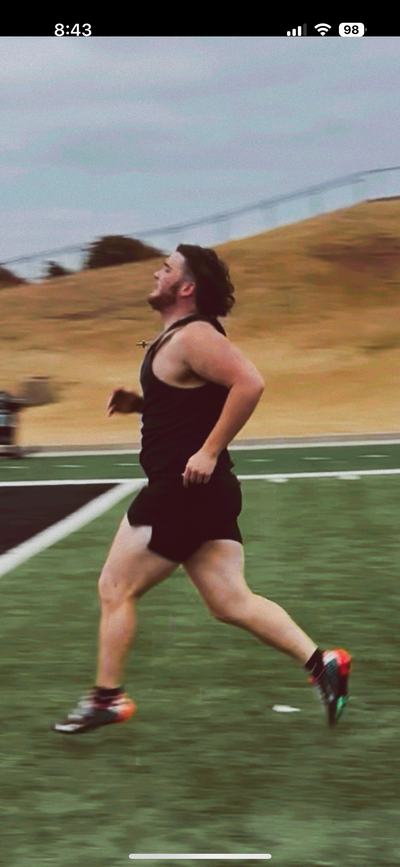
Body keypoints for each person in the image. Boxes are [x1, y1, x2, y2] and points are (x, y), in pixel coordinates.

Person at [52, 244, 351, 734]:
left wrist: (209, 451)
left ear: (186, 287)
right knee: (229, 601)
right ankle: (324, 665)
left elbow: (249, 383)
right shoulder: (178, 337)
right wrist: (140, 405)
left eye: (166, 268)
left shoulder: (194, 335)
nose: (157, 273)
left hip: (182, 490)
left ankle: (107, 698)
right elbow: (191, 403)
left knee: (115, 587)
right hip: (205, 492)